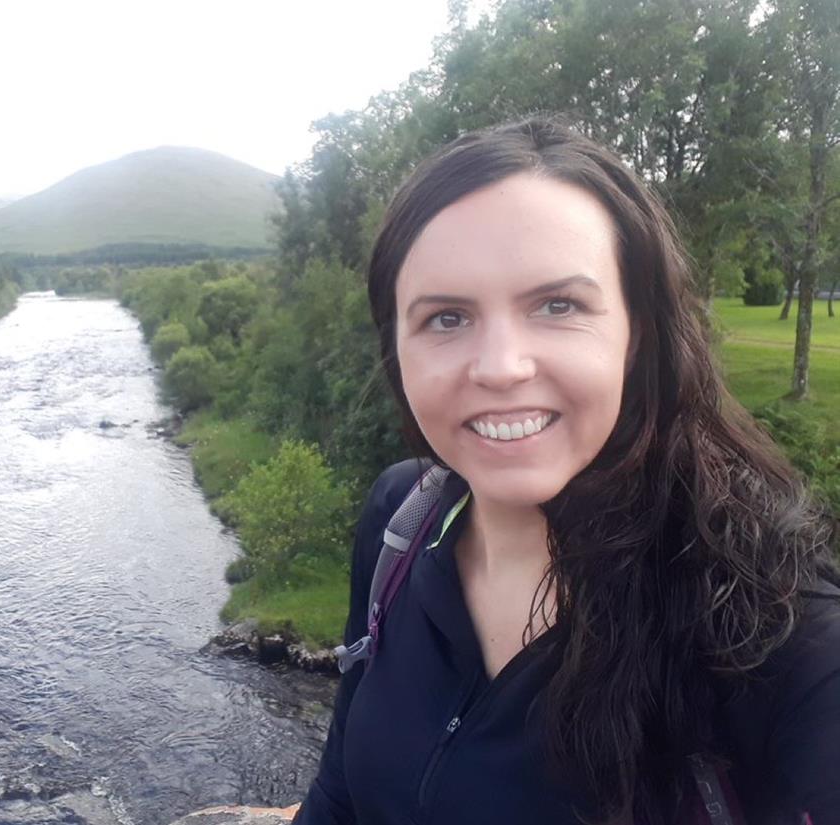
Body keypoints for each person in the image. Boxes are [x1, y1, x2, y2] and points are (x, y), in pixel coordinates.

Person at [291, 118, 840, 825]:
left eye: (558, 305)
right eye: (447, 318)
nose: (500, 367)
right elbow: (340, 790)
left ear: (637, 332)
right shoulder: (399, 523)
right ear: (396, 344)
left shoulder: (778, 632)